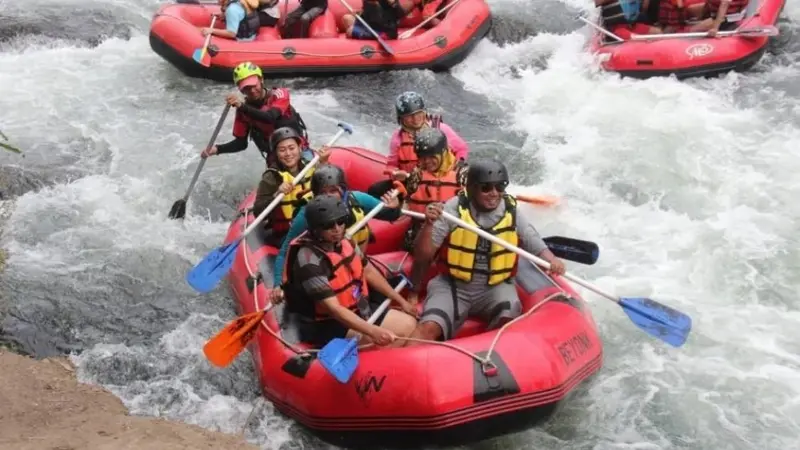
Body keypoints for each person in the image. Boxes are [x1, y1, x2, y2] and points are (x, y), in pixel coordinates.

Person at [405, 159, 566, 344]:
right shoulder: (453, 208)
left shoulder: (511, 210)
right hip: (453, 286)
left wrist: (552, 259)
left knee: (508, 325)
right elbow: (423, 255)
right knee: (427, 328)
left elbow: (532, 240)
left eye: (500, 187)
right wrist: (429, 225)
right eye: (486, 188)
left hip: (495, 288)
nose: (494, 193)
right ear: (472, 188)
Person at [272, 194, 418, 347]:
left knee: (409, 324)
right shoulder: (309, 261)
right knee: (389, 339)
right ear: (316, 228)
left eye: (340, 222)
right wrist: (373, 331)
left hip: (356, 307)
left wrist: (401, 301)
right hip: (328, 324)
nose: (337, 229)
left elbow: (368, 271)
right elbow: (333, 309)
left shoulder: (345, 240)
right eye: (329, 225)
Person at [272, 164, 403, 287]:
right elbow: (285, 251)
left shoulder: (357, 199)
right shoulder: (307, 213)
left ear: (343, 190)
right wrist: (278, 284)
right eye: (323, 192)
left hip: (356, 261)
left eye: (333, 190)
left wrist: (394, 206)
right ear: (316, 195)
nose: (329, 196)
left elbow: (392, 215)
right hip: (324, 271)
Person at [201, 62, 311, 166]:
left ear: (261, 80)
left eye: (254, 85)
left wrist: (242, 106)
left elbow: (270, 117)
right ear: (241, 90)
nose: (252, 90)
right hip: (274, 155)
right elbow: (241, 143)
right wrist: (216, 149)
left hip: (298, 149)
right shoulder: (243, 111)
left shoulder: (279, 94)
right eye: (247, 88)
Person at [367, 91, 468, 199]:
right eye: (409, 116)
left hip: (441, 178)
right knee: (375, 190)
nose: (415, 119)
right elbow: (392, 165)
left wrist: (457, 168)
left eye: (418, 113)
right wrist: (395, 173)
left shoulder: (441, 128)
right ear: (401, 119)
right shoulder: (398, 138)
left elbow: (462, 149)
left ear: (424, 112)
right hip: (411, 180)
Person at [252, 127, 330, 246]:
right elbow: (258, 212)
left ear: (300, 148)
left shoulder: (310, 166)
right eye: (282, 150)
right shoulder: (271, 177)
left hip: (313, 226)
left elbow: (328, 192)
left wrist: (324, 163)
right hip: (287, 233)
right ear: (276, 154)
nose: (288, 154)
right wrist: (277, 194)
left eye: (291, 148)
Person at [400, 127, 467, 250]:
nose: (427, 162)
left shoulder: (462, 174)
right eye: (423, 158)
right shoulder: (417, 174)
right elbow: (408, 202)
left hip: (451, 232)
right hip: (422, 228)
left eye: (432, 157)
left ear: (444, 152)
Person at [341, 0, 413, 41]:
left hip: (385, 30)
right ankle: (361, 44)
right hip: (371, 25)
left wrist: (394, 3)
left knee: (350, 31)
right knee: (347, 18)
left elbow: (399, 15)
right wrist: (359, 13)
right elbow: (367, 14)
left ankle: (365, 45)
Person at [595, 0, 661, 40]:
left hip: (632, 25)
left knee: (658, 32)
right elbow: (596, 2)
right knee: (638, 39)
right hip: (616, 29)